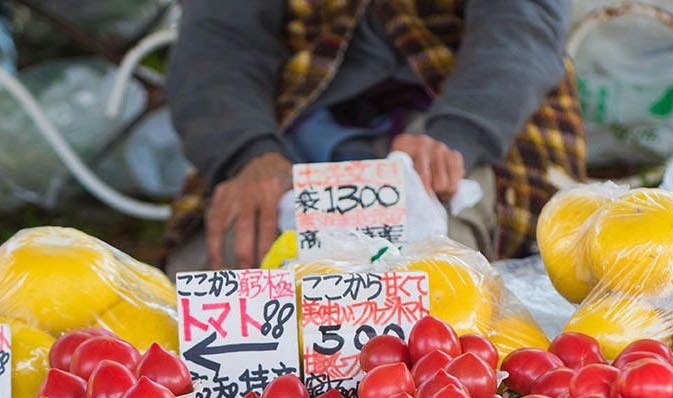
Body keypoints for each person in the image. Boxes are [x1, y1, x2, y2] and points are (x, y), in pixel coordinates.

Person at [164, 0, 585, 270]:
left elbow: (520, 28)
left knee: (432, 276)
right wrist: (247, 153)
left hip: (462, 112)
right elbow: (218, 38)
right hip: (290, 118)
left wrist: (453, 136)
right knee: (214, 276)